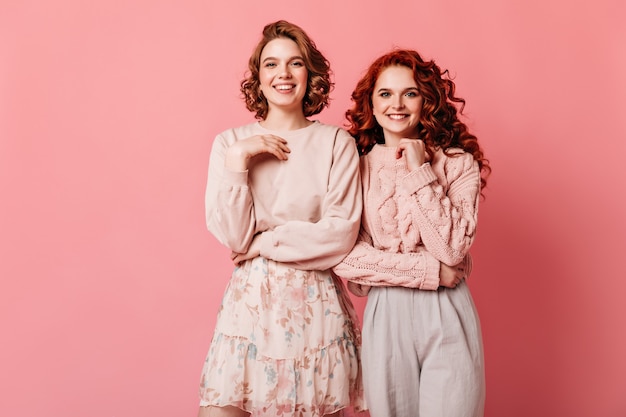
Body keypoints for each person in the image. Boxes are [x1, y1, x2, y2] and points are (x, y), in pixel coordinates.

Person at [198, 20, 365, 417]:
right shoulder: (229, 145)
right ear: (258, 77)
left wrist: (263, 242)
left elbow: (340, 235)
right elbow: (235, 237)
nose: (284, 74)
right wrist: (240, 160)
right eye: (271, 65)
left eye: (295, 64)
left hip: (316, 309)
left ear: (311, 74)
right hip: (250, 306)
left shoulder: (335, 144)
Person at [332, 49, 491, 417]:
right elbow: (345, 258)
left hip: (448, 313)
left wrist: (419, 169)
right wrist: (429, 272)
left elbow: (451, 249)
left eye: (410, 93)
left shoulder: (456, 163)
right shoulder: (355, 168)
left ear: (427, 100)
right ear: (370, 103)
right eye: (385, 94)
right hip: (386, 315)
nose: (397, 104)